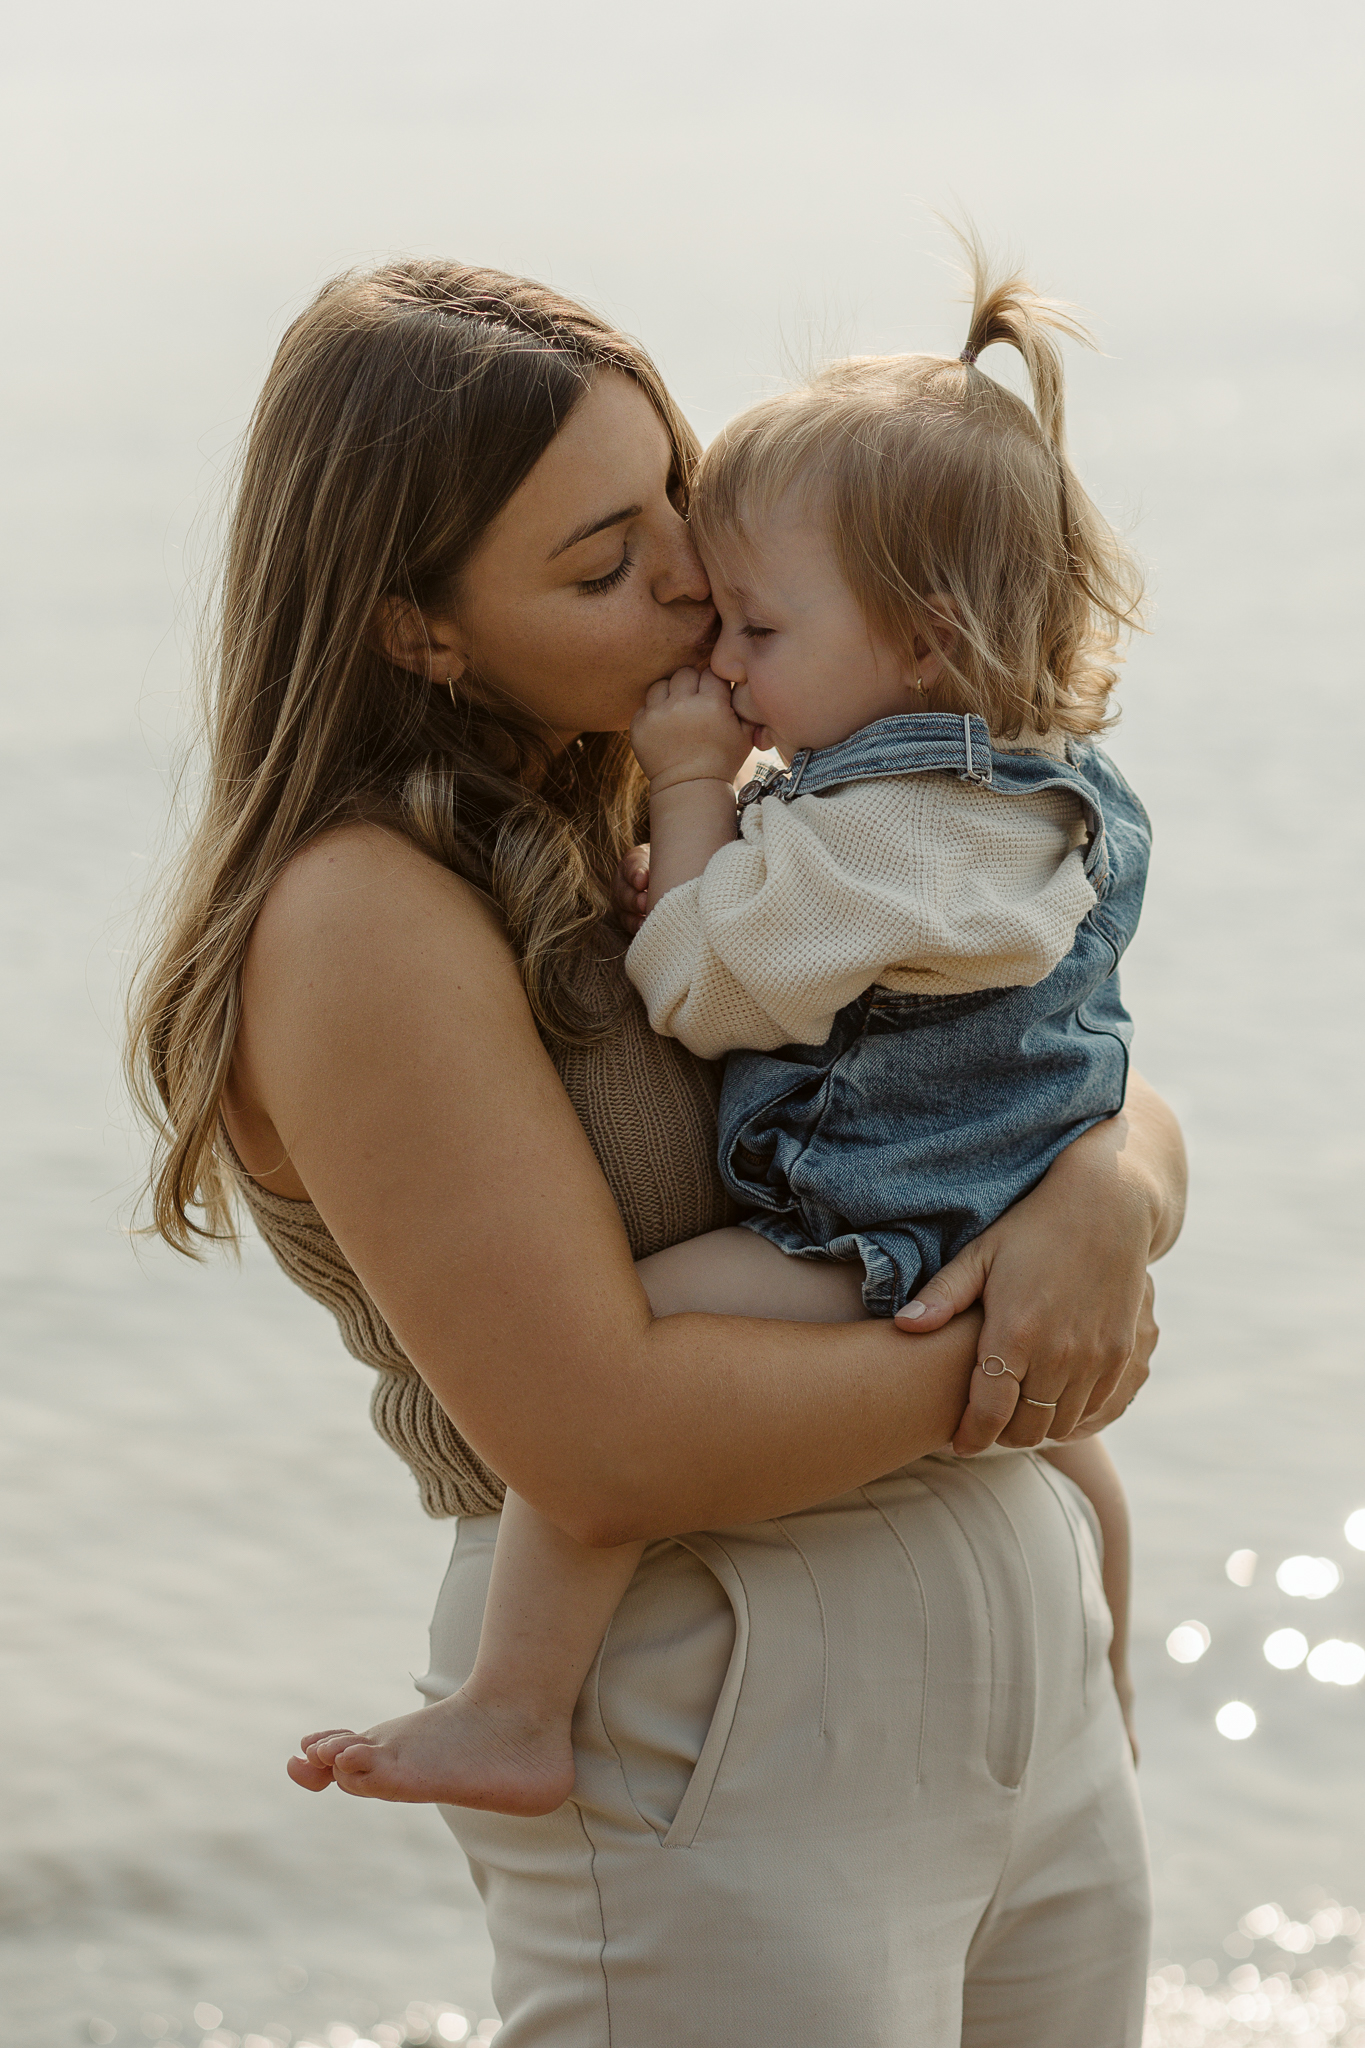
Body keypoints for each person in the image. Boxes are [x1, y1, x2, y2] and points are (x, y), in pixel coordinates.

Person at [126, 256, 1185, 2048]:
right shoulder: (362, 917)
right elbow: (597, 1442)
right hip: (719, 1703)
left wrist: (1109, 1198)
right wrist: (1020, 1358)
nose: (693, 594)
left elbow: (1027, 1077)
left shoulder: (711, 791)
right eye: (603, 568)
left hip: (1008, 1683)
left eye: (679, 522)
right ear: (416, 627)